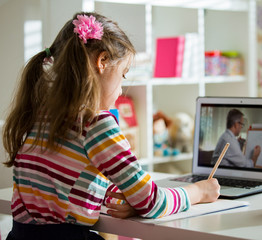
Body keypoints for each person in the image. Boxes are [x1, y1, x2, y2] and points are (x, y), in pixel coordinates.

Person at [2, 12, 220, 240]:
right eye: (123, 74)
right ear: (102, 62)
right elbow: (154, 203)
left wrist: (128, 198)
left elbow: (70, 183)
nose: (120, 90)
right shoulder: (95, 123)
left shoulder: (43, 113)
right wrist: (198, 191)